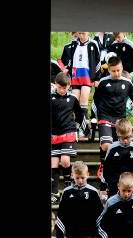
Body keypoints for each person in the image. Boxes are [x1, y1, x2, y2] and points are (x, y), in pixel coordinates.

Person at [92, 56, 133, 195]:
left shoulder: (127, 82)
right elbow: (96, 100)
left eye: (118, 70)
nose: (116, 73)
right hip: (104, 116)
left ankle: (111, 172)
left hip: (119, 119)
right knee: (107, 145)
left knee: (117, 147)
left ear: (122, 68)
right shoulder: (103, 82)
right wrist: (92, 118)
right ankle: (103, 166)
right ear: (109, 70)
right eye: (113, 71)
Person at [50, 72, 89, 204]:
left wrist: (86, 130)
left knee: (65, 161)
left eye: (64, 87)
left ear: (69, 86)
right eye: (60, 87)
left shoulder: (72, 99)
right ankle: (54, 192)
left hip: (69, 133)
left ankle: (67, 186)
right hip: (54, 135)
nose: (62, 90)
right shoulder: (51, 98)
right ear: (55, 85)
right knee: (53, 163)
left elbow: (80, 115)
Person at [61, 32, 100, 140]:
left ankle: (85, 131)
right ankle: (76, 128)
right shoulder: (74, 44)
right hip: (75, 74)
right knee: (75, 101)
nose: (81, 33)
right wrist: (67, 68)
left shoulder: (93, 43)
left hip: (87, 74)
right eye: (79, 31)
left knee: (83, 101)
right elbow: (70, 59)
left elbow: (98, 62)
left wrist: (96, 78)